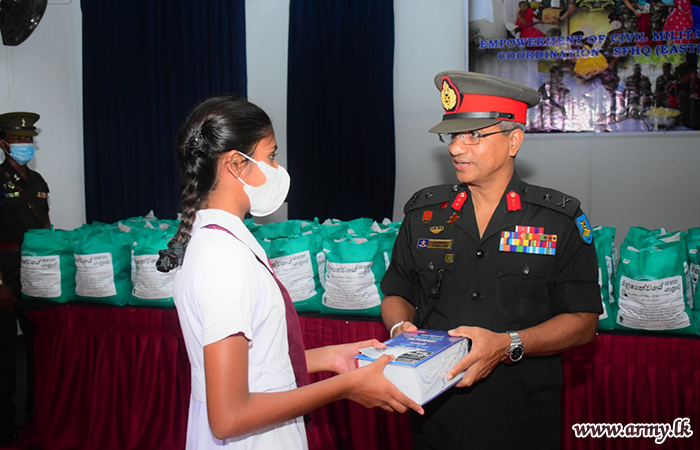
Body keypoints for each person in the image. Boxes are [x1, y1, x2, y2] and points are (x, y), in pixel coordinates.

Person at [155, 95, 422, 449]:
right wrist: (346, 387)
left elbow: (252, 366)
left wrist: (329, 358)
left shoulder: (215, 243)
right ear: (236, 163)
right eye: (269, 156)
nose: (277, 167)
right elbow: (230, 416)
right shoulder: (225, 259)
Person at [380, 71, 601, 450]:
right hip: (435, 413)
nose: (455, 148)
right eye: (453, 135)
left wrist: (507, 343)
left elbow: (582, 323)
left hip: (521, 416)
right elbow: (397, 291)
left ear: (514, 139)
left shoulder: (558, 219)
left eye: (475, 135)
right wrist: (401, 328)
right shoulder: (425, 213)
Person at [0, 111, 50, 444]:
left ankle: (36, 412)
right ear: (4, 144)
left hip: (35, 272)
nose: (24, 145)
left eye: (28, 139)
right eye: (18, 140)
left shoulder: (38, 182)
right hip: (5, 272)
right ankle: (5, 425)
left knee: (38, 346)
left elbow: (45, 230)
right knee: (5, 354)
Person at [535, 65, 573, 131]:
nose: (554, 78)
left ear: (561, 77)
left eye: (557, 76)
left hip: (560, 123)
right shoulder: (544, 87)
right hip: (546, 121)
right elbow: (540, 100)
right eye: (552, 76)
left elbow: (568, 106)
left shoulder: (565, 90)